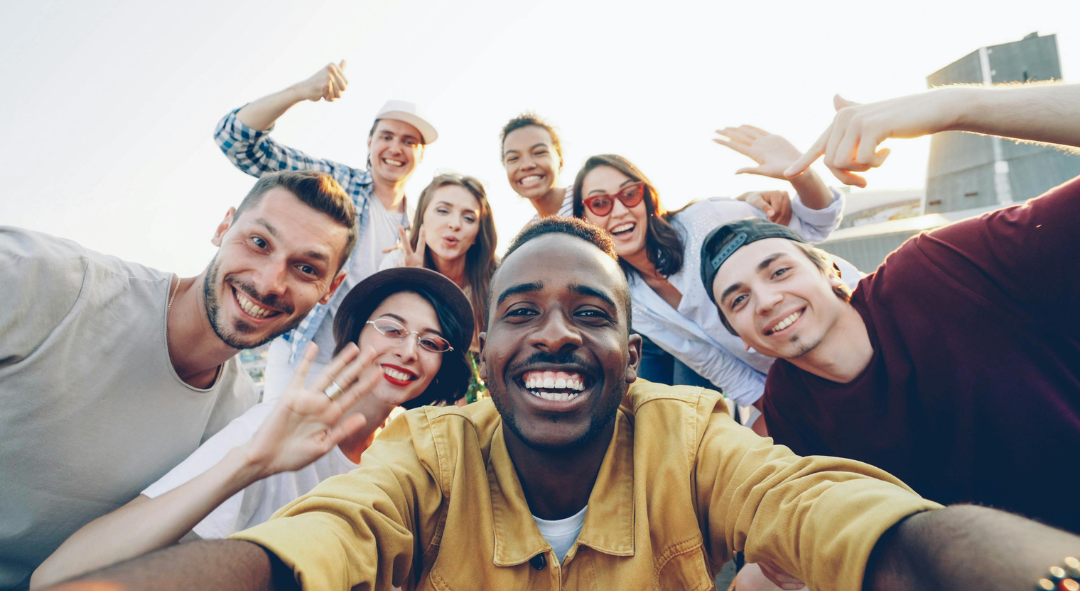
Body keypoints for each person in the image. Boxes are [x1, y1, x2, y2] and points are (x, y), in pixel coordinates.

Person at [43, 217, 1080, 591]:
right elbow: (304, 550)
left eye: (588, 313)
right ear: (486, 357)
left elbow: (854, 526)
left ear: (632, 358)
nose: (551, 334)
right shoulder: (426, 450)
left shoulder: (694, 436)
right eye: (521, 312)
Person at [703, 82, 1080, 533]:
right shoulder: (789, 404)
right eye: (738, 299)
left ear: (831, 272)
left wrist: (954, 106)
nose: (765, 300)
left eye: (779, 271)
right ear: (739, 336)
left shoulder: (935, 270)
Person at [0, 170, 358, 590]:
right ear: (223, 227)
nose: (268, 283)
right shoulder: (38, 279)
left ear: (329, 290)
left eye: (304, 268)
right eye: (259, 243)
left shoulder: (239, 422)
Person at [30, 268, 474, 589]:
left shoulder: (407, 459)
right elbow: (56, 577)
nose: (409, 351)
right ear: (356, 336)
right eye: (392, 329)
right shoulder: (276, 424)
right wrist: (251, 461)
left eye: (431, 342)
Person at [572, 139, 856, 424]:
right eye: (600, 203)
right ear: (585, 219)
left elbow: (817, 224)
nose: (619, 210)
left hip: (851, 333)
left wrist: (802, 173)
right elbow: (706, 359)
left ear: (648, 197)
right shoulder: (626, 294)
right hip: (794, 379)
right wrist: (784, 409)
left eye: (630, 193)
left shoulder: (707, 218)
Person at [215, 60, 439, 401]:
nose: (396, 148)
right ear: (369, 142)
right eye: (387, 137)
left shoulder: (423, 223)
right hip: (302, 355)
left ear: (421, 155)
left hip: (368, 368)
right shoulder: (336, 184)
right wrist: (301, 91)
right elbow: (236, 141)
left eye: (409, 141)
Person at [379, 173, 498, 353]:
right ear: (422, 218)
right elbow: (383, 334)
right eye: (443, 211)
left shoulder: (498, 275)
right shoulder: (398, 262)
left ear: (477, 234)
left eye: (469, 218)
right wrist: (411, 284)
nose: (454, 224)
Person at [500, 113, 574, 221]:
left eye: (539, 152)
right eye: (513, 158)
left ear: (560, 159)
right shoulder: (528, 235)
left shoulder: (592, 202)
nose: (526, 165)